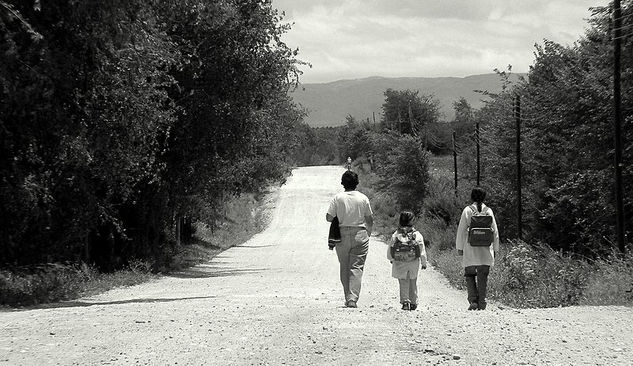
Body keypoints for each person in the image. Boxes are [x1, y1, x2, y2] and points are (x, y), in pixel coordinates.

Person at [326, 170, 373, 308]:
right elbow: (370, 219)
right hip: (360, 233)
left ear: (343, 183)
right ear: (357, 183)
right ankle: (353, 297)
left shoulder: (338, 198)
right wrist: (368, 233)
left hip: (341, 234)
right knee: (356, 267)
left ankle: (348, 296)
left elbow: (329, 217)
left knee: (345, 266)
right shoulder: (363, 198)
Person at [455, 187, 500, 310]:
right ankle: (482, 302)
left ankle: (473, 300)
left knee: (469, 274)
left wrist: (459, 247)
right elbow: (495, 232)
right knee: (483, 275)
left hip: (470, 248)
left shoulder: (467, 210)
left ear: (471, 197)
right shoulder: (488, 211)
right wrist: (495, 248)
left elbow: (461, 230)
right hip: (485, 249)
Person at [387, 211, 427, 311]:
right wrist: (424, 262)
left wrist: (391, 258)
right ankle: (413, 302)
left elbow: (390, 248)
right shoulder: (417, 235)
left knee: (403, 282)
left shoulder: (396, 234)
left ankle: (405, 302)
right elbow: (421, 250)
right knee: (413, 281)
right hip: (413, 262)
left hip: (400, 263)